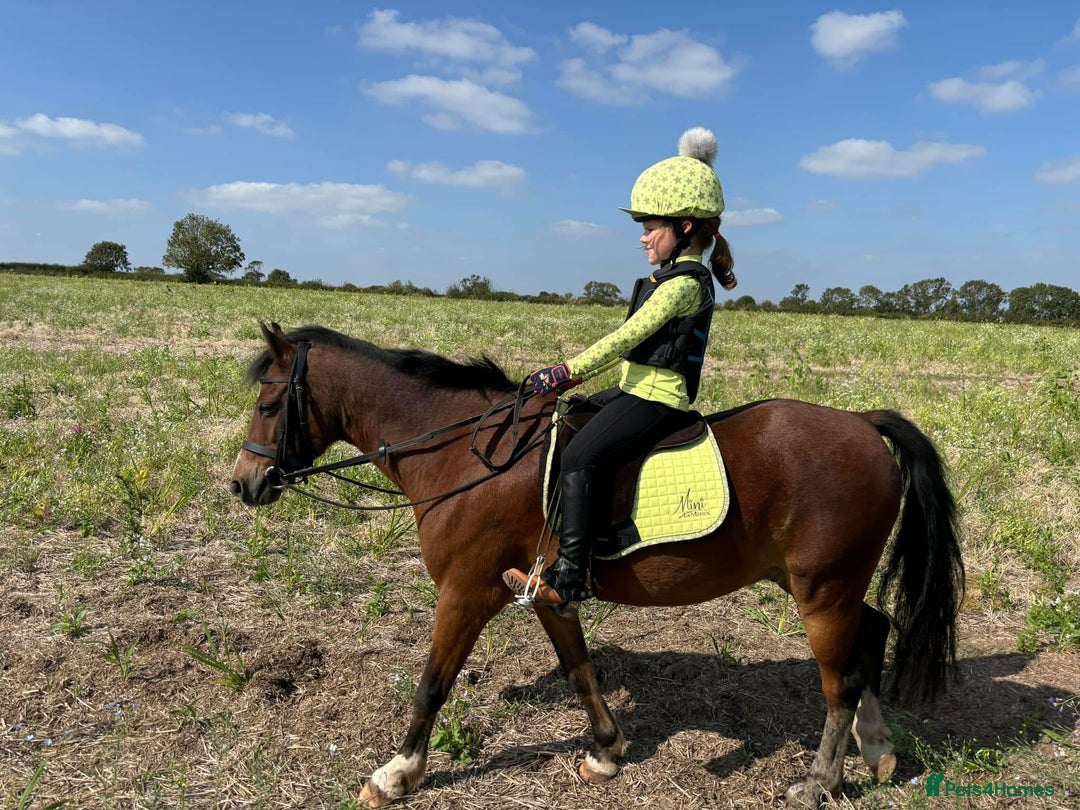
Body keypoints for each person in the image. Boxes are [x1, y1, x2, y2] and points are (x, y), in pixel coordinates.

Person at [502, 126, 737, 608]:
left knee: (580, 457)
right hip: (634, 388)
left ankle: (571, 578)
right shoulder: (667, 275)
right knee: (566, 422)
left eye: (651, 227)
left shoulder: (683, 284)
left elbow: (625, 338)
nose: (645, 238)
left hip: (658, 398)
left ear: (685, 228)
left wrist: (565, 371)